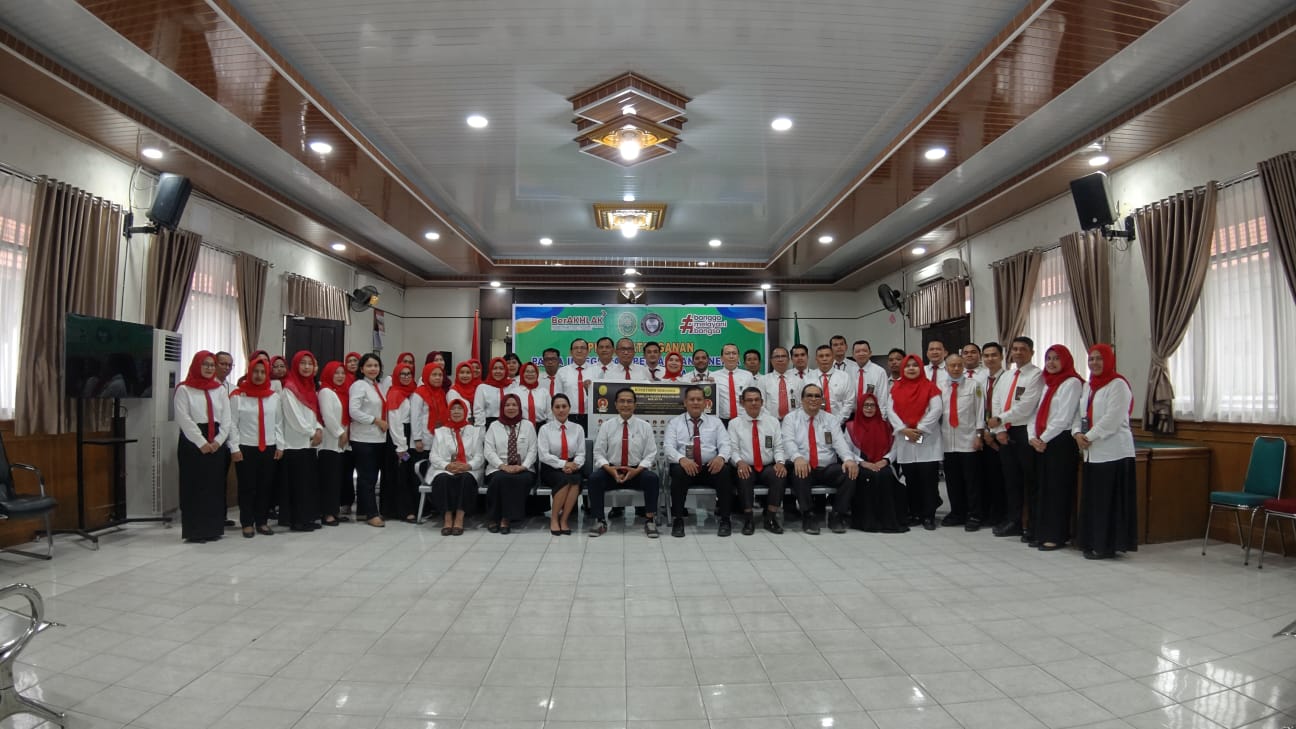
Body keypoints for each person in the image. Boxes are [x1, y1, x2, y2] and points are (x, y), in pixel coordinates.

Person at [1074, 344, 1138, 559]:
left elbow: (1113, 418)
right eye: (1091, 359)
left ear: (1109, 360)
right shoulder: (1088, 386)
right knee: (1094, 501)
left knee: (1108, 503)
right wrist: (1077, 433)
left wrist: (1088, 437)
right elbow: (1080, 414)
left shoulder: (1118, 384)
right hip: (1092, 453)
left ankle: (1106, 545)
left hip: (1113, 452)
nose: (1094, 363)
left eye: (1099, 358)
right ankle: (1092, 541)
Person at [780, 383, 859, 534]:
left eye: (817, 396)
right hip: (804, 466)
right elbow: (788, 442)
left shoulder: (830, 419)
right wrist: (797, 458)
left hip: (826, 468)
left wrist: (848, 459)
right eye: (809, 395)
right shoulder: (791, 419)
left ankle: (837, 515)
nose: (813, 399)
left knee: (850, 472)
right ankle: (808, 515)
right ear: (802, 399)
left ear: (822, 400)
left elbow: (840, 442)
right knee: (799, 472)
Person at [987, 336, 1044, 539]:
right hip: (1005, 432)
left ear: (1032, 353)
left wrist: (1000, 419)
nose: (1018, 352)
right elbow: (996, 401)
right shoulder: (1007, 375)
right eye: (1015, 349)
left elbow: (1026, 406)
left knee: (1030, 480)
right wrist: (1000, 429)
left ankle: (1033, 524)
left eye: (1023, 349)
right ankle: (1014, 521)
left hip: (1024, 432)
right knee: (1011, 480)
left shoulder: (1036, 375)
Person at [1030, 345, 1084, 550]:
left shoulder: (1072, 383)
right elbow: (1036, 413)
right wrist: (1032, 437)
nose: (1051, 363)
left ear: (1066, 360)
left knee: (1057, 490)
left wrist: (1042, 439)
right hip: (1043, 442)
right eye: (1048, 358)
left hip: (1060, 442)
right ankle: (1041, 532)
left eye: (1056, 358)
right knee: (1043, 489)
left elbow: (1064, 418)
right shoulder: (1047, 383)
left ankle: (1056, 535)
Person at [588, 388, 660, 538]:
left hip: (636, 471)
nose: (625, 405)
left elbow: (651, 454)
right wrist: (610, 470)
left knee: (652, 479)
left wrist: (636, 471)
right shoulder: (607, 426)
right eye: (622, 401)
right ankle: (599, 520)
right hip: (612, 471)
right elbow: (598, 452)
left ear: (635, 405)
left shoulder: (645, 426)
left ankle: (649, 520)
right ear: (615, 404)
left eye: (629, 401)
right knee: (594, 479)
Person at [175, 351, 231, 543]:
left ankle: (213, 529)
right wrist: (201, 442)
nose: (209, 368)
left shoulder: (220, 390)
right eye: (205, 364)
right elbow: (184, 418)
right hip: (192, 443)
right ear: (196, 365)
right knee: (194, 487)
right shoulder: (184, 389)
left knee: (214, 487)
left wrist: (218, 441)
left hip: (216, 441)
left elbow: (226, 419)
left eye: (212, 365)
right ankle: (195, 531)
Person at [664, 385, 733, 537]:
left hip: (709, 468)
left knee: (725, 471)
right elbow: (668, 447)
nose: (695, 402)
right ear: (685, 402)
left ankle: (725, 519)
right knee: (677, 472)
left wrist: (721, 457)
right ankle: (678, 520)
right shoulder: (675, 423)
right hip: (686, 467)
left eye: (699, 399)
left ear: (705, 403)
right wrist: (682, 459)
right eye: (692, 399)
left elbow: (726, 444)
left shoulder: (715, 422)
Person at [228, 356, 283, 538]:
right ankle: (247, 522)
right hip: (246, 447)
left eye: (262, 372)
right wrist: (234, 448)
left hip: (268, 447)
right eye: (255, 372)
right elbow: (232, 424)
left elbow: (278, 423)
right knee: (247, 487)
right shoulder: (238, 396)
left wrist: (280, 445)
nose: (259, 375)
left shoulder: (273, 397)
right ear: (249, 373)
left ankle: (261, 521)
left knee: (265, 486)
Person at [889, 354, 944, 530]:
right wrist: (904, 429)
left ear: (921, 368)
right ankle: (915, 513)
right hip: (905, 438)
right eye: (907, 366)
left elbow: (936, 410)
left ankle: (928, 515)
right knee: (911, 479)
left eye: (915, 365)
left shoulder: (930, 387)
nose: (911, 368)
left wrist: (920, 429)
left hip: (927, 439)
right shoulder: (896, 388)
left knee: (928, 480)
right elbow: (890, 411)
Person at [845, 394, 907, 533]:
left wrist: (886, 460)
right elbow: (847, 450)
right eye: (866, 405)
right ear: (860, 407)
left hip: (883, 463)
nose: (869, 408)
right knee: (868, 476)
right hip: (862, 464)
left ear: (877, 407)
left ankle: (887, 521)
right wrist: (862, 463)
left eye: (872, 405)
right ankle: (867, 521)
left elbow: (895, 447)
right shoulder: (851, 426)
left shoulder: (886, 426)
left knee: (885, 475)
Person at [729, 386, 787, 534]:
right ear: (742, 403)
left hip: (767, 466)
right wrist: (739, 462)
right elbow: (733, 450)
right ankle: (748, 519)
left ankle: (771, 517)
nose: (754, 403)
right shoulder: (734, 423)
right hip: (745, 465)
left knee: (779, 475)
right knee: (744, 475)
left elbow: (779, 447)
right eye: (749, 400)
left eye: (757, 400)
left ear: (762, 402)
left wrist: (780, 463)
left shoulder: (773, 422)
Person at [279, 350, 323, 532]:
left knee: (307, 483)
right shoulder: (289, 388)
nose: (306, 367)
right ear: (295, 365)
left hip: (309, 444)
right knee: (297, 484)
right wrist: (312, 432)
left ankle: (306, 518)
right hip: (295, 444)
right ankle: (296, 520)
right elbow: (294, 417)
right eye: (303, 363)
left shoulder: (310, 387)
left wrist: (318, 428)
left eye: (310, 363)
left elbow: (313, 413)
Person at [940, 353, 985, 530]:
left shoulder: (974, 385)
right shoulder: (940, 387)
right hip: (947, 441)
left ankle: (974, 515)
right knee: (952, 480)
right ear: (946, 368)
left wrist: (979, 436)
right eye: (952, 365)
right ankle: (957, 512)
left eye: (959, 365)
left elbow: (980, 412)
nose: (956, 368)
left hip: (968, 440)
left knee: (971, 481)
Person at [481, 393, 537, 534]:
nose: (511, 408)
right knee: (500, 478)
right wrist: (502, 466)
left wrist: (523, 466)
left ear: (519, 407)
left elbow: (533, 450)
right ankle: (493, 517)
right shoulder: (494, 426)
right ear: (502, 408)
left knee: (519, 479)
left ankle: (506, 518)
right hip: (497, 467)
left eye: (514, 405)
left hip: (524, 468)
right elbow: (489, 451)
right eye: (507, 405)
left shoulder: (528, 426)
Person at [427, 400, 483, 536]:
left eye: (460, 409)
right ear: (449, 412)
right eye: (453, 409)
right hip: (445, 468)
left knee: (466, 479)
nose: (456, 411)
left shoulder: (475, 431)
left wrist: (468, 465)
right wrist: (447, 465)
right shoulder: (440, 432)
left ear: (465, 412)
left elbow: (479, 456)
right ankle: (447, 519)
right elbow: (433, 456)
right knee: (442, 479)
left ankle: (459, 518)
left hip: (468, 468)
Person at [349, 353, 390, 527]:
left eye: (376, 365)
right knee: (367, 478)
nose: (373, 369)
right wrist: (375, 420)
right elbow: (353, 411)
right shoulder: (359, 385)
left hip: (378, 438)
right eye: (369, 366)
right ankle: (371, 514)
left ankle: (362, 511)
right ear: (361, 368)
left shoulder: (377, 386)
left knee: (371, 477)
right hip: (363, 438)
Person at [538, 394, 584, 535]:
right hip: (551, 467)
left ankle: (564, 519)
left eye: (564, 406)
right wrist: (564, 464)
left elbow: (581, 453)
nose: (561, 410)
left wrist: (574, 465)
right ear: (552, 409)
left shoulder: (578, 428)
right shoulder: (545, 429)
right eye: (557, 407)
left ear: (569, 408)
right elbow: (544, 455)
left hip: (573, 466)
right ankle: (554, 519)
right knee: (564, 480)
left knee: (575, 481)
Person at [411, 363, 450, 522]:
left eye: (440, 375)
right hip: (423, 440)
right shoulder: (419, 393)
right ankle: (419, 508)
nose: (437, 378)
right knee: (421, 476)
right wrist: (417, 439)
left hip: (437, 440)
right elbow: (415, 417)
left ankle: (433, 506)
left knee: (434, 474)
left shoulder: (441, 392)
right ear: (426, 376)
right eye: (434, 375)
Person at [317, 360, 349, 528]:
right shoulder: (325, 392)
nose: (340, 376)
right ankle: (327, 513)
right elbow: (327, 416)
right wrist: (340, 433)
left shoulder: (341, 392)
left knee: (336, 479)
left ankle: (333, 510)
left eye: (342, 373)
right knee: (329, 479)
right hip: (329, 442)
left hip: (339, 443)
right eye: (336, 373)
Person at [385, 363, 419, 523]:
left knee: (405, 472)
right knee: (400, 473)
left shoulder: (410, 392)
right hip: (399, 438)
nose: (406, 377)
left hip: (407, 435)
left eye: (408, 374)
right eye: (402, 374)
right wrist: (401, 447)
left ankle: (403, 508)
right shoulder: (395, 393)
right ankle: (403, 511)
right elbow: (394, 422)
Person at [977, 342, 1007, 527]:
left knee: (1002, 478)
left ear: (1001, 357)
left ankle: (1002, 515)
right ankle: (989, 514)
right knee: (987, 477)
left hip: (1003, 434)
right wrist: (984, 432)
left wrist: (994, 432)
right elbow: (979, 408)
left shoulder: (1008, 378)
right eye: (986, 355)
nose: (990, 359)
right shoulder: (981, 380)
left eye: (994, 355)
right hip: (985, 435)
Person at [714, 343, 756, 424]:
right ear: (721, 358)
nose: (731, 356)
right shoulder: (713, 376)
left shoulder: (748, 375)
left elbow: (753, 398)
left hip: (744, 420)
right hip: (721, 421)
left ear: (738, 357)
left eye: (734, 353)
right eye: (727, 353)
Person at [556, 338, 592, 429]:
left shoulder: (597, 371)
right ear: (571, 352)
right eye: (576, 348)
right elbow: (557, 397)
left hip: (591, 416)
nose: (579, 350)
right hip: (568, 417)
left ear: (588, 351)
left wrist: (589, 390)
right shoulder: (562, 372)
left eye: (582, 348)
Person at [851, 340, 891, 418]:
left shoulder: (879, 372)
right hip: (852, 416)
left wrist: (881, 419)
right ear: (853, 355)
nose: (861, 353)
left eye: (864, 351)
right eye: (857, 351)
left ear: (870, 353)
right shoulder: (848, 372)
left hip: (873, 415)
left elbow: (883, 399)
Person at [811, 344, 853, 417]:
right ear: (816, 360)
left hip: (839, 420)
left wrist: (837, 421)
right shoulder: (808, 378)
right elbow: (804, 402)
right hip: (815, 420)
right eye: (821, 356)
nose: (824, 359)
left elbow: (849, 402)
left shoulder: (844, 377)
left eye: (827, 355)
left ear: (833, 358)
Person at [760, 346, 797, 420]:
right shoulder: (763, 380)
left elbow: (801, 404)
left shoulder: (798, 380)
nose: (780, 359)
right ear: (771, 360)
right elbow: (761, 404)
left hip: (793, 422)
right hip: (771, 421)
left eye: (783, 356)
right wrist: (770, 420)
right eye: (777, 357)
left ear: (789, 360)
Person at [474, 356, 512, 427]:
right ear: (490, 370)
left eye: (501, 368)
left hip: (510, 424)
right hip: (489, 424)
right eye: (495, 368)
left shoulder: (512, 386)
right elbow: (479, 411)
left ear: (506, 370)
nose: (498, 371)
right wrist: (481, 429)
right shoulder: (482, 388)